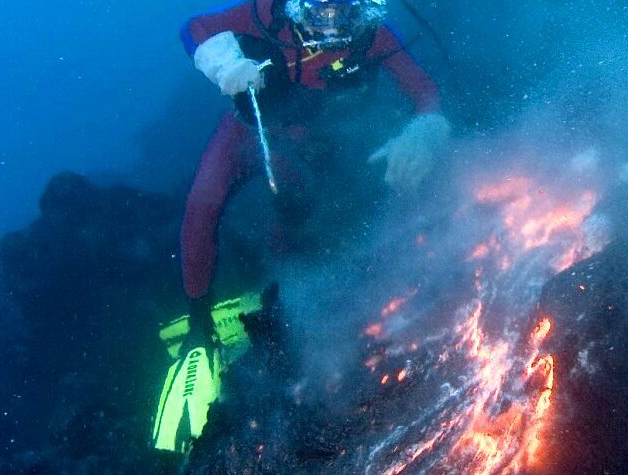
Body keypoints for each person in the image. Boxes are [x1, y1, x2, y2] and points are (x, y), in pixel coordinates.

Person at [178, 0, 450, 345]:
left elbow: (424, 91)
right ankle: (198, 323)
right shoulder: (266, 16)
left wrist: (422, 131)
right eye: (318, 7)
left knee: (293, 215)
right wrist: (222, 63)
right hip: (248, 132)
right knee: (203, 202)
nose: (331, 19)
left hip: (309, 143)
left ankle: (289, 301)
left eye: (344, 6)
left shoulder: (372, 33)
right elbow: (193, 28)